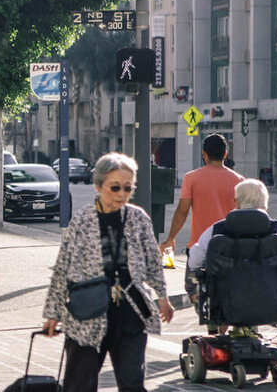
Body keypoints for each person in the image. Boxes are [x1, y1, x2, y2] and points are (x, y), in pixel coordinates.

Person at [41, 152, 174, 392]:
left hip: (130, 311)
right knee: (79, 386)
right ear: (99, 186)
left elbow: (153, 261)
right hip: (87, 313)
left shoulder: (138, 218)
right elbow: (62, 268)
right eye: (115, 188)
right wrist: (53, 313)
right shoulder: (81, 221)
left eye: (127, 188)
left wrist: (163, 297)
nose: (122, 194)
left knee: (132, 384)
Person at [160, 133, 245, 302]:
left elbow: (182, 211)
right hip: (229, 248)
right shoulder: (239, 181)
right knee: (226, 290)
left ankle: (202, 308)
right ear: (225, 154)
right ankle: (222, 324)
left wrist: (170, 239)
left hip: (199, 249)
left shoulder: (191, 178)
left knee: (192, 286)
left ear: (204, 154)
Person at [188, 178, 277, 274]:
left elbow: (193, 262)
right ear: (265, 203)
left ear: (236, 202)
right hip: (269, 296)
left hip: (223, 297)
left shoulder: (215, 230)